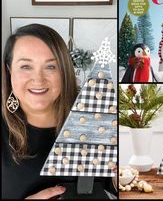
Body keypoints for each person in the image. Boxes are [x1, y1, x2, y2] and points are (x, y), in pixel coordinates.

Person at [2, 24, 117, 199]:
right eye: (26, 66)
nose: (38, 79)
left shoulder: (94, 117)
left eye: (51, 67)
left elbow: (114, 187)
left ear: (64, 71)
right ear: (10, 70)